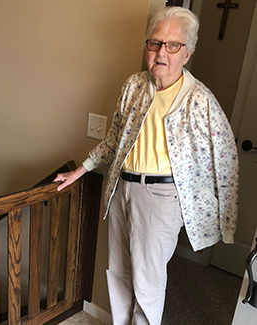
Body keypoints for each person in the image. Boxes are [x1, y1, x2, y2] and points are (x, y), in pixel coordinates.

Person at [54, 6, 239, 325]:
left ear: (188, 52)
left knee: (148, 282)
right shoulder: (133, 86)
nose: (161, 52)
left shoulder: (199, 100)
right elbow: (114, 139)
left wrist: (223, 219)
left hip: (162, 199)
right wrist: (81, 169)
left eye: (173, 45)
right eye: (154, 43)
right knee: (119, 272)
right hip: (122, 188)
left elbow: (224, 162)